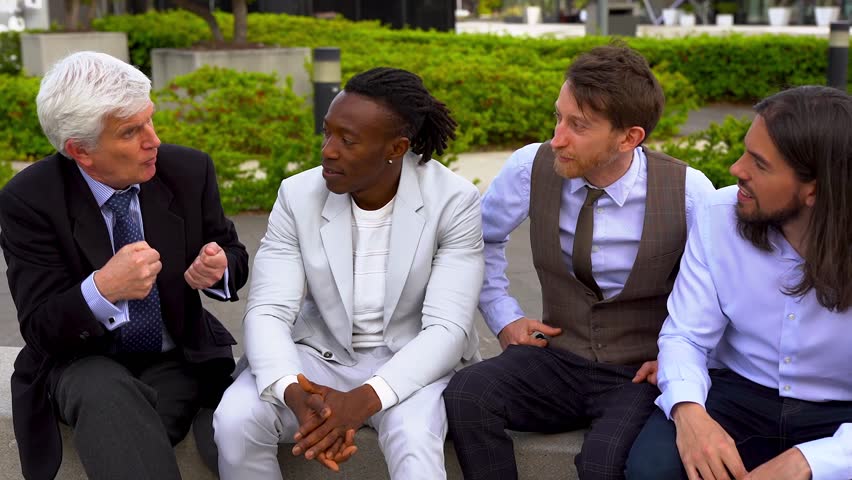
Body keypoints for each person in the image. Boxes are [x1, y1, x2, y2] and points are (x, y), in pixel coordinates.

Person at [443, 44, 716, 480]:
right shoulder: (529, 168)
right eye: (558, 117)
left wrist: (689, 361)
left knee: (602, 463)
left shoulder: (688, 190)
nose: (557, 138)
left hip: (639, 372)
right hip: (557, 356)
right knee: (467, 394)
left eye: (579, 126)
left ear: (629, 138)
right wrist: (503, 316)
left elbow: (722, 287)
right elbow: (474, 241)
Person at [212, 67, 484, 480]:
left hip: (409, 359)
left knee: (414, 439)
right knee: (235, 420)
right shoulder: (297, 195)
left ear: (397, 147)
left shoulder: (453, 201)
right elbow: (267, 311)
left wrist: (361, 401)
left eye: (347, 140)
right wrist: (295, 393)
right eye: (327, 133)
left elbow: (447, 328)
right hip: (316, 358)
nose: (328, 150)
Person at [0, 51, 249, 480]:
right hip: (80, 361)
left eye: (150, 120)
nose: (153, 139)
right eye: (131, 132)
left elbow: (232, 254)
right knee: (105, 393)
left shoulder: (188, 170)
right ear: (81, 151)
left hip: (177, 355)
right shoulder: (30, 199)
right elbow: (40, 327)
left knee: (130, 416)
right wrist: (102, 289)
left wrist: (220, 267)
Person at [625, 86, 852, 480]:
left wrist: (812, 460)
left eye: (760, 164)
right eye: (746, 150)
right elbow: (686, 337)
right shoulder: (719, 215)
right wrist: (689, 413)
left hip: (842, 411)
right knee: (652, 469)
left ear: (815, 188)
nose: (736, 169)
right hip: (738, 392)